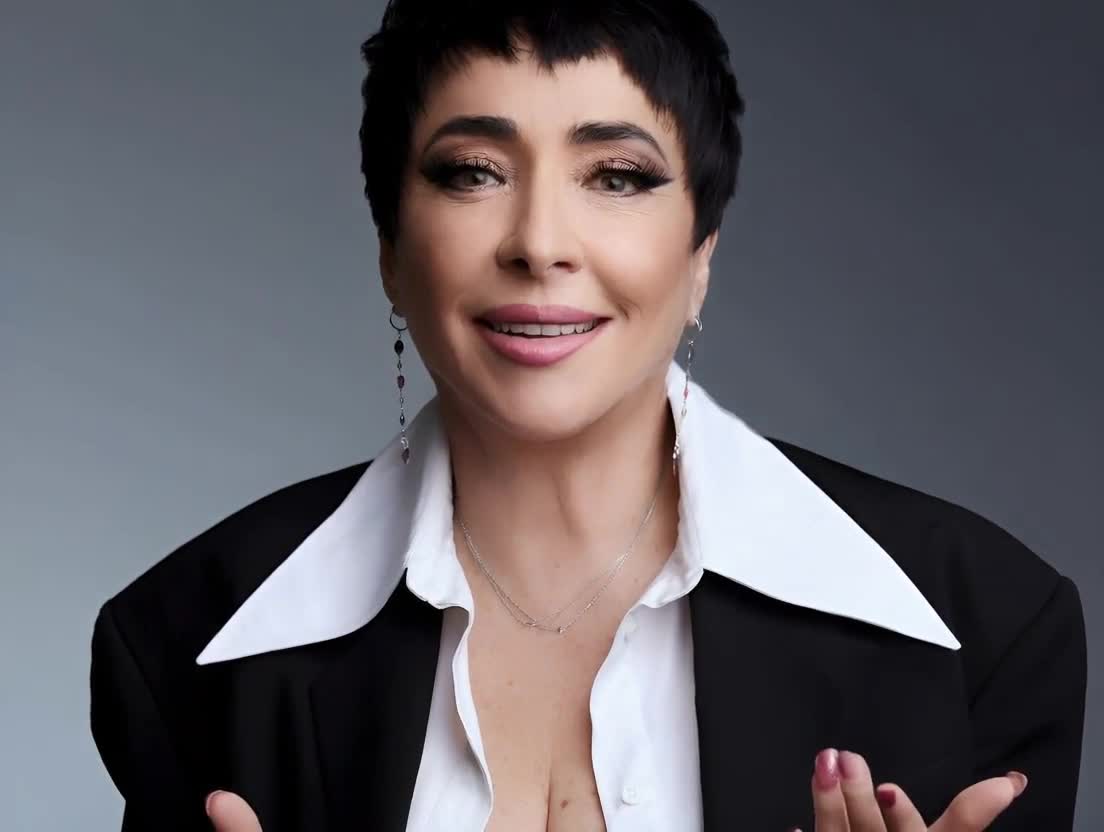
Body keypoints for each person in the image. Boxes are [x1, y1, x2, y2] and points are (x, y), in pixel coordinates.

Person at [89, 0, 1087, 830]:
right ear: (390, 249)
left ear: (700, 254)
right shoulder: (184, 645)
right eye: (473, 171)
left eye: (616, 176)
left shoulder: (985, 631)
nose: (539, 242)